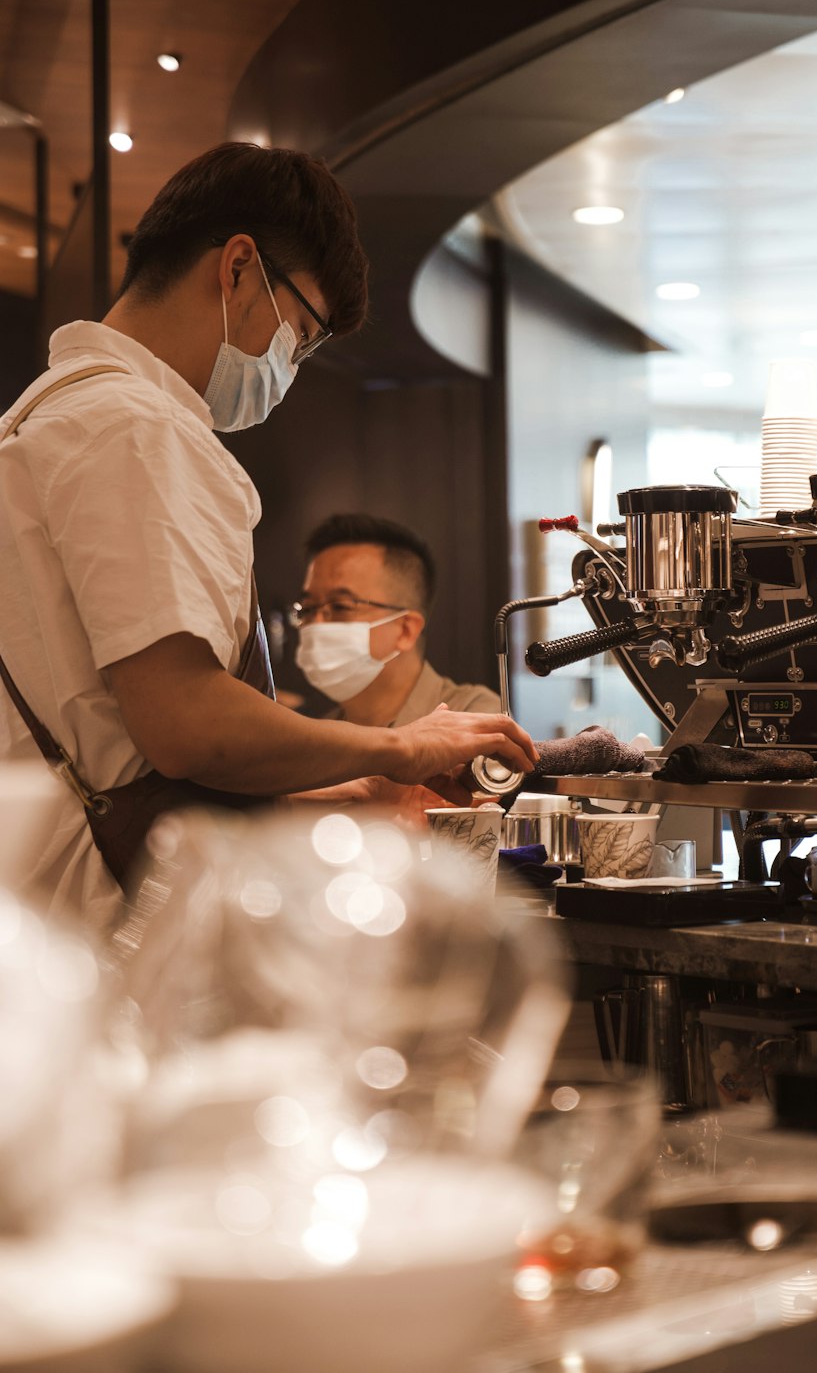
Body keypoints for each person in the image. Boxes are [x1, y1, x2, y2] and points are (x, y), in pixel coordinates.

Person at [0, 142, 536, 933]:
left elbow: (114, 737)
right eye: (303, 330)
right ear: (240, 268)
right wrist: (396, 748)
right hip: (106, 925)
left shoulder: (39, 418)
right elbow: (184, 724)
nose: (294, 363)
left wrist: (335, 782)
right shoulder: (139, 426)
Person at [294, 512, 502, 727]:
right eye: (308, 609)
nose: (316, 624)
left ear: (406, 630)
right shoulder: (325, 735)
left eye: (340, 606)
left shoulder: (472, 713)